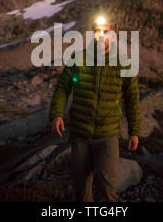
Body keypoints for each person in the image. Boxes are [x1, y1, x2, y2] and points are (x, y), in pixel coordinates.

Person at [48, 16, 141, 202]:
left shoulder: (123, 62)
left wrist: (135, 131)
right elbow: (63, 88)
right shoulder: (79, 58)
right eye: (97, 31)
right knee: (81, 191)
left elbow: (132, 99)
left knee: (107, 191)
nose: (101, 35)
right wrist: (56, 114)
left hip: (107, 137)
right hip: (80, 135)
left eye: (105, 32)